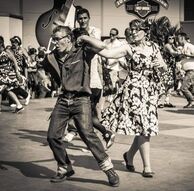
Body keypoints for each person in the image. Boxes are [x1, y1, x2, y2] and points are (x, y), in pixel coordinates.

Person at [78, 19, 167, 178]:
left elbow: (163, 66)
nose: (132, 32)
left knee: (142, 127)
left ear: (144, 31)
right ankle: (147, 167)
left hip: (149, 92)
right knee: (144, 128)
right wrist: (87, 42)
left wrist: (158, 64)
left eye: (136, 29)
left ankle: (129, 156)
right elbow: (107, 53)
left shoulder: (154, 47)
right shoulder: (128, 47)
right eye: (131, 29)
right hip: (134, 91)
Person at [40, 25, 119, 186]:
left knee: (87, 135)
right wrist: (45, 78)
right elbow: (41, 68)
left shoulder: (82, 51)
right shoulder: (51, 57)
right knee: (52, 136)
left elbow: (102, 45)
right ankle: (65, 167)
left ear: (68, 39)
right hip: (63, 100)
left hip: (81, 99)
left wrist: (84, 38)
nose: (55, 43)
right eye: (53, 39)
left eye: (57, 39)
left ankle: (109, 169)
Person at [64, 8, 115, 149]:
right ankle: (103, 135)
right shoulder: (74, 33)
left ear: (89, 18)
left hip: (91, 81)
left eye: (85, 18)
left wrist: (82, 37)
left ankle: (79, 133)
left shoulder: (94, 32)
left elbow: (98, 44)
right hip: (80, 81)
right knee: (88, 115)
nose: (82, 21)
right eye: (80, 18)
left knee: (83, 114)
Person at [0, 36, 25, 113]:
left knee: (3, 90)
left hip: (7, 75)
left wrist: (17, 72)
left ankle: (19, 105)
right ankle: (19, 105)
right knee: (7, 90)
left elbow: (14, 60)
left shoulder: (6, 51)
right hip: (3, 75)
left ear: (1, 44)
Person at [176, 32, 194, 108]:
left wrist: (186, 55)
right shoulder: (183, 47)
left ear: (182, 38)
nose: (177, 40)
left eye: (178, 38)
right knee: (189, 88)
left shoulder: (189, 46)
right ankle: (191, 102)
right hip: (187, 71)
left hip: (191, 70)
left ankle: (192, 101)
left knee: (183, 88)